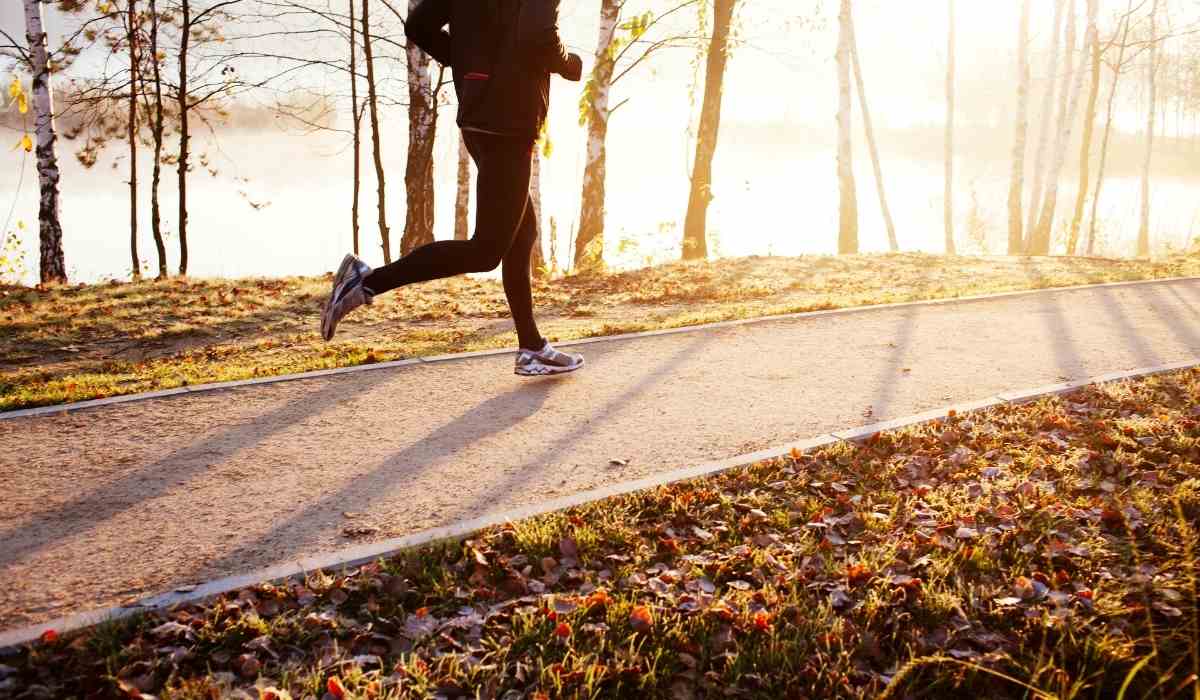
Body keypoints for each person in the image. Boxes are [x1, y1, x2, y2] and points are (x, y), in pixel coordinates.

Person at [320, 0, 586, 377]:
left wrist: (466, 66)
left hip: (479, 115)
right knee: (486, 251)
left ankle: (532, 347)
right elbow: (539, 38)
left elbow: (420, 25)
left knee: (521, 234)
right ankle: (365, 282)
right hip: (509, 121)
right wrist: (569, 64)